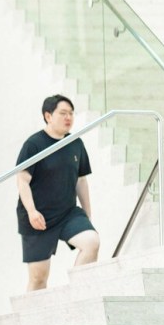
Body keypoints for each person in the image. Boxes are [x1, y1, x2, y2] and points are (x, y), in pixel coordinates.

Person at [16, 94, 99, 292]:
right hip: (38, 216)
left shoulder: (76, 143)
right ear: (48, 116)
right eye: (63, 113)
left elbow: (81, 180)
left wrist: (87, 213)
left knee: (91, 241)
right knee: (38, 279)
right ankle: (33, 313)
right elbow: (22, 180)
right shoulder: (33, 144)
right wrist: (32, 211)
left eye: (71, 113)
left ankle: (76, 294)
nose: (68, 117)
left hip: (68, 213)